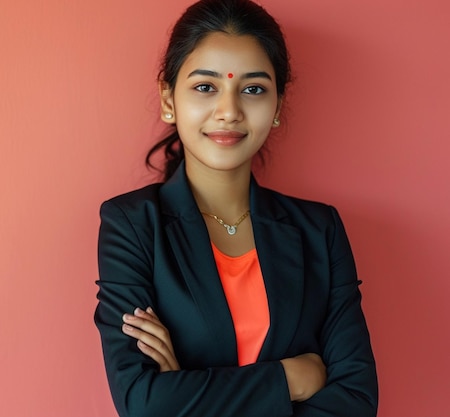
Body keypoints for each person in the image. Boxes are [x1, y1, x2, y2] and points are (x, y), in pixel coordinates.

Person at [94, 0, 378, 416]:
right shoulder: (133, 226)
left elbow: (356, 401)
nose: (229, 111)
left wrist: (185, 388)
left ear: (277, 106)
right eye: (206, 87)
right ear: (169, 98)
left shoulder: (320, 230)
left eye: (253, 89)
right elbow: (143, 404)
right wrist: (290, 379)